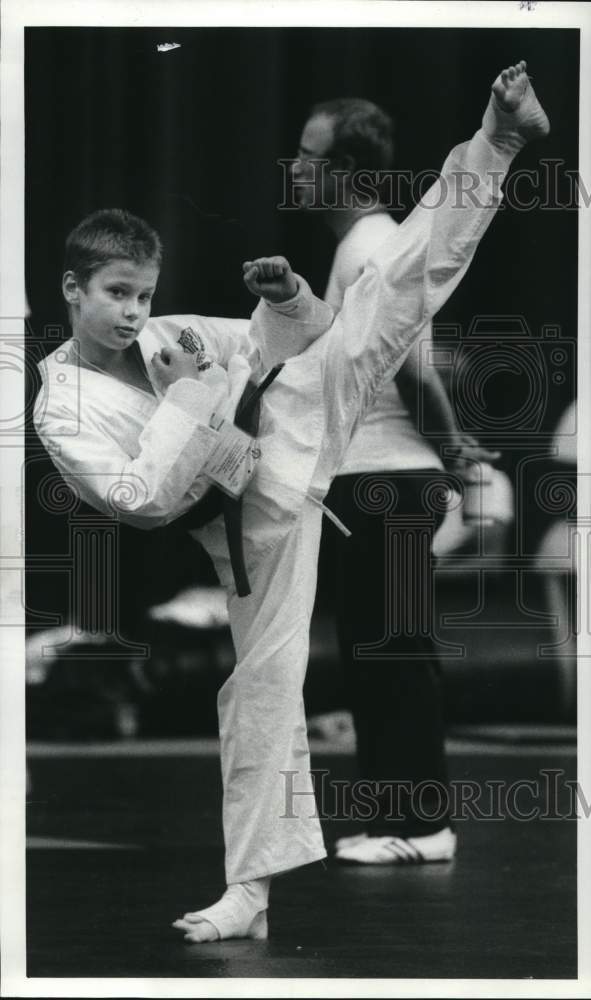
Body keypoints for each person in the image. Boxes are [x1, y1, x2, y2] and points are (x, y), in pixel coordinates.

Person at [33, 62, 549, 941]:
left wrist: (287, 299)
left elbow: (293, 342)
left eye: (144, 294)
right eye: (116, 295)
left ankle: (499, 139)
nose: (134, 313)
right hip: (246, 526)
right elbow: (146, 501)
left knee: (388, 294)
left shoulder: (166, 335)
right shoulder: (60, 409)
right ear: (73, 291)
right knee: (260, 688)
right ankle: (250, 895)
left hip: (296, 422)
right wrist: (196, 393)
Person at [292, 94, 501, 864]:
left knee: (394, 652)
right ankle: (397, 820)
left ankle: (420, 825)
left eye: (307, 157)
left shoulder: (368, 247)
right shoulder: (365, 246)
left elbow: (409, 365)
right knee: (375, 652)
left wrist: (448, 450)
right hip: (375, 477)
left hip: (390, 480)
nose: (295, 169)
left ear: (343, 171)